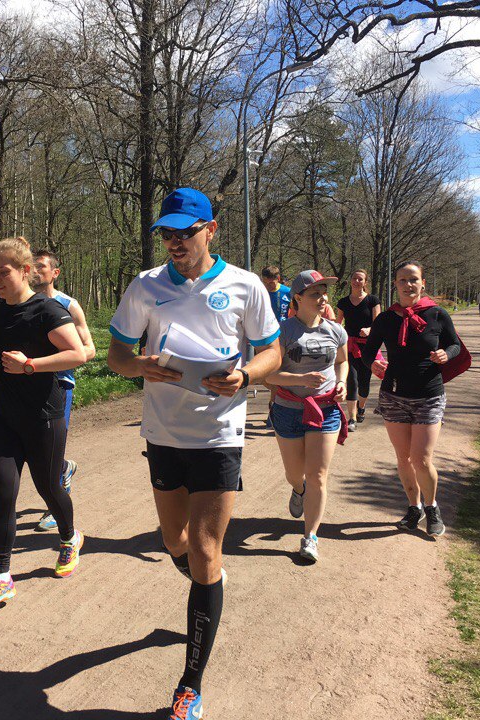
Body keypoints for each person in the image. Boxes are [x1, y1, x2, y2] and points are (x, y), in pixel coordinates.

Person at [107, 188, 281, 720]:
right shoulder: (146, 286)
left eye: (186, 231)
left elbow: (273, 350)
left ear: (212, 230)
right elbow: (116, 353)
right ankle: (212, 587)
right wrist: (140, 367)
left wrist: (246, 376)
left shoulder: (244, 285)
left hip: (220, 433)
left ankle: (189, 683)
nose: (175, 242)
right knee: (174, 541)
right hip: (162, 433)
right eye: (168, 233)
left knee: (205, 550)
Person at [0, 237, 87, 612]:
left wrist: (31, 365)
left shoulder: (48, 309)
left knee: (48, 487)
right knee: (3, 494)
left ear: (24, 271)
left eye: (3, 273)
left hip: (43, 416)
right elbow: (0, 350)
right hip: (4, 415)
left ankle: (70, 537)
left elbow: (76, 354)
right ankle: (1, 577)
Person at [363, 260, 461, 537]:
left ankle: (432, 507)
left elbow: (454, 344)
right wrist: (373, 364)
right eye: (403, 280)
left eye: (413, 279)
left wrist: (446, 354)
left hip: (429, 395)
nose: (408, 285)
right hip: (394, 395)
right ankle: (413, 507)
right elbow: (369, 351)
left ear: (423, 283)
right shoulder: (385, 319)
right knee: (404, 458)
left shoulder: (437, 314)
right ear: (395, 284)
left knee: (421, 459)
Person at [265, 270, 348, 563]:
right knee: (295, 474)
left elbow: (343, 361)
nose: (323, 297)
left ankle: (310, 537)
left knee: (318, 476)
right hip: (288, 410)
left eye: (324, 291)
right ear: (298, 298)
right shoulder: (282, 332)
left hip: (325, 410)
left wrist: (342, 383)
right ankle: (297, 490)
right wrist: (298, 381)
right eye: (315, 293)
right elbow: (268, 374)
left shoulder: (336, 330)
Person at [31, 249, 96, 532]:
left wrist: (56, 359)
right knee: (34, 449)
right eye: (31, 265)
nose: (35, 270)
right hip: (24, 383)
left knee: (49, 448)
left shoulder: (68, 305)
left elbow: (89, 349)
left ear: (55, 273)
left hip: (58, 385)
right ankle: (64, 468)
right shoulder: (20, 302)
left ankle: (53, 508)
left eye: (41, 266)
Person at [335, 269, 381, 433]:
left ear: (365, 282)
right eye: (354, 278)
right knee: (352, 380)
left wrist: (370, 330)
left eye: (360, 279)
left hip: (367, 347)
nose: (356, 281)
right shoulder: (343, 302)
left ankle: (361, 407)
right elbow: (338, 323)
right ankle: (352, 417)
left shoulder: (372, 300)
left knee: (364, 381)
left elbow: (378, 323)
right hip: (349, 345)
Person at [260, 266, 292, 429]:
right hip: (266, 338)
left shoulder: (288, 292)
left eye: (271, 283)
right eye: (265, 283)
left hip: (284, 338)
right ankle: (276, 408)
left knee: (280, 374)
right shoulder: (261, 293)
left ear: (278, 279)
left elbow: (298, 310)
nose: (268, 286)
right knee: (265, 377)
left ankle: (273, 414)